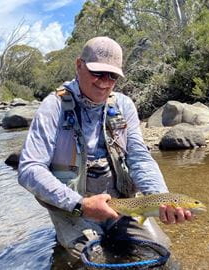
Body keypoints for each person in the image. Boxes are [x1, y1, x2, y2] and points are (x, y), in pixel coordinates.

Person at [18, 36, 192, 266]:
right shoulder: (53, 107)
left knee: (158, 255)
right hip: (73, 209)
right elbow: (29, 169)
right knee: (89, 260)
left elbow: (139, 158)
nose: (104, 82)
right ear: (79, 65)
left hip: (123, 204)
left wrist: (162, 198)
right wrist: (80, 204)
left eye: (112, 76)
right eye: (97, 73)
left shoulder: (124, 105)